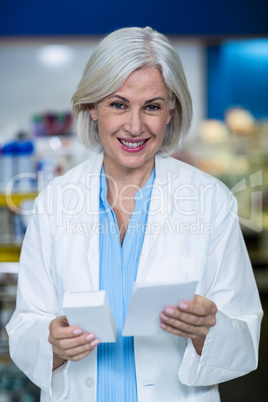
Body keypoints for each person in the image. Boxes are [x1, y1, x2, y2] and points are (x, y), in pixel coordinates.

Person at [7, 27, 263, 402]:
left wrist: (205, 329)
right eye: (118, 104)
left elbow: (245, 338)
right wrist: (53, 343)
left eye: (152, 106)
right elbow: (27, 323)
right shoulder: (56, 200)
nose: (135, 126)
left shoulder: (209, 200)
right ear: (92, 107)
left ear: (171, 109)